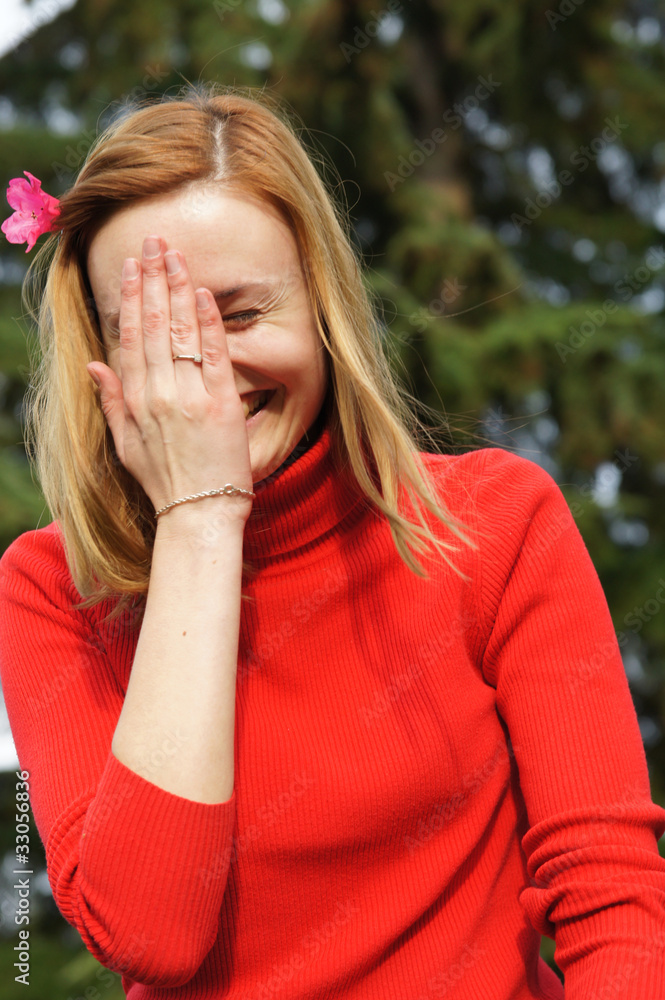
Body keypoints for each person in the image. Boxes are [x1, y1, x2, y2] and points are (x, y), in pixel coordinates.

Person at [0, 84, 664, 1000]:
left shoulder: (494, 523)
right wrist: (200, 518)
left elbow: (612, 896)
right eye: (152, 334)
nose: (205, 371)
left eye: (239, 316)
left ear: (321, 307)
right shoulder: (52, 587)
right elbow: (149, 937)